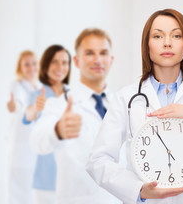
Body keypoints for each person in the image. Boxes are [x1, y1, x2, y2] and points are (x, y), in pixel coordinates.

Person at [86, 9, 183, 204]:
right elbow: (98, 160)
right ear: (147, 46)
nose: (167, 42)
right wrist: (138, 190)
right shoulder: (126, 99)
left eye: (176, 35)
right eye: (158, 35)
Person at [29, 28, 121, 204]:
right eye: (89, 53)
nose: (97, 59)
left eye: (103, 53)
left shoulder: (122, 104)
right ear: (77, 61)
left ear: (111, 59)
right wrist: (57, 130)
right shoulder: (60, 103)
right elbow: (36, 140)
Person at [22, 45, 71, 204]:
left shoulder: (73, 94)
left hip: (70, 175)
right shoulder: (38, 94)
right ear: (46, 65)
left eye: (64, 62)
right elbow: (27, 115)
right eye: (54, 62)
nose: (60, 67)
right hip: (46, 179)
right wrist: (35, 108)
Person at [5, 50, 41, 204]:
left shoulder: (39, 87)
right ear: (20, 67)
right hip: (20, 148)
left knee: (32, 192)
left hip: (35, 147)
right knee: (18, 191)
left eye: (34, 64)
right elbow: (18, 103)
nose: (31, 68)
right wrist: (15, 106)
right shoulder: (17, 85)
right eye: (26, 64)